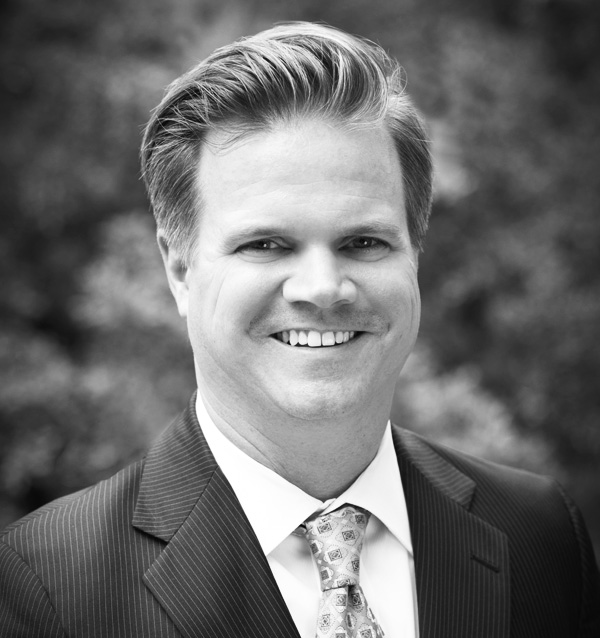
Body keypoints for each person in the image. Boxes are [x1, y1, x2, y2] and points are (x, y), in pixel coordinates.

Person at [1, 21, 598, 638]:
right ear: (179, 269)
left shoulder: (541, 537)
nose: (321, 287)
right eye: (266, 244)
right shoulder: (47, 588)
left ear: (415, 253)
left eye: (364, 242)